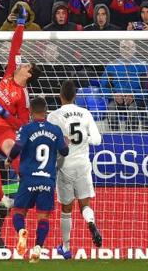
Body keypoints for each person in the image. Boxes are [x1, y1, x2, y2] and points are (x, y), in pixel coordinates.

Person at [0, 7, 41, 208]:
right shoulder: (9, 72)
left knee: (10, 149)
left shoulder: (23, 97)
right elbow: (16, 46)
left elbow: (22, 123)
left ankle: (28, 188)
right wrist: (21, 24)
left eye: (26, 67)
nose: (22, 65)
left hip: (4, 129)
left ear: (29, 75)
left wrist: (6, 114)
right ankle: (2, 198)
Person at [6, 96, 68, 262]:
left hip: (28, 179)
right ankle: (37, 248)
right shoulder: (55, 130)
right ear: (46, 111)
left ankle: (21, 232)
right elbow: (64, 152)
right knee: (43, 217)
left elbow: (17, 147)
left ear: (31, 112)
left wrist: (9, 160)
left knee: (18, 212)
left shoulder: (26, 129)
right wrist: (65, 143)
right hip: (47, 180)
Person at [47, 80, 102, 259]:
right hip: (83, 165)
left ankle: (66, 247)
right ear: (76, 96)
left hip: (64, 165)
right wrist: (84, 137)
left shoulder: (53, 116)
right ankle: (91, 223)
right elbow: (97, 140)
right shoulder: (85, 113)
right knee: (85, 204)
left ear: (60, 96)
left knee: (66, 209)